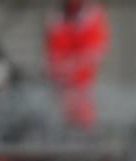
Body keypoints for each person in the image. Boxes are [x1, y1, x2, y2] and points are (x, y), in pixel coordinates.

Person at [45, 0, 109, 129]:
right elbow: (55, 52)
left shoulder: (92, 15)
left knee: (84, 118)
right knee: (64, 118)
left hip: (85, 84)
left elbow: (95, 50)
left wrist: (73, 66)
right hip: (62, 85)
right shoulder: (57, 18)